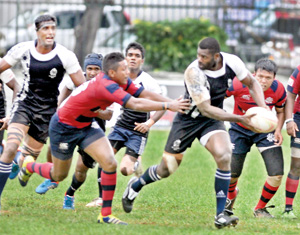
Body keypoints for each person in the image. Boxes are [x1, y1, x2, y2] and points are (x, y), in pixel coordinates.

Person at [18, 52, 190, 225]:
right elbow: (135, 104)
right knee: (58, 174)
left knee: (109, 163)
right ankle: (29, 166)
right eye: (123, 69)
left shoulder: (120, 80)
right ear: (113, 73)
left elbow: (143, 93)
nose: (127, 70)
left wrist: (172, 101)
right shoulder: (106, 85)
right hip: (64, 127)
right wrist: (169, 105)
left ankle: (105, 215)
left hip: (86, 124)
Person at [121, 37, 268, 229]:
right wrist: (241, 119)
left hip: (211, 121)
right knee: (167, 169)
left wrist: (263, 109)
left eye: (204, 56)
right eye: (198, 55)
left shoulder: (232, 62)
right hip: (187, 121)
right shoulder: (193, 72)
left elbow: (252, 83)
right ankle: (136, 185)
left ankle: (220, 215)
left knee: (224, 156)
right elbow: (205, 108)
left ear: (216, 56)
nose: (199, 59)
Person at [0, 14, 86, 208]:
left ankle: (23, 166)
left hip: (48, 112)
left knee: (27, 158)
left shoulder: (66, 55)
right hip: (24, 104)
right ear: (37, 31)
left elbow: (83, 88)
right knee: (11, 146)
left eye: (53, 28)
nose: (50, 32)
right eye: (46, 29)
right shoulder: (23, 49)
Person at [83, 42, 165, 208]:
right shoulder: (119, 78)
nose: (133, 58)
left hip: (138, 131)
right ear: (125, 59)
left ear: (142, 60)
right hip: (120, 126)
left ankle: (134, 165)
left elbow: (162, 105)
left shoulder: (148, 82)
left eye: (137, 56)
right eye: (130, 55)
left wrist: (149, 123)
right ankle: (101, 198)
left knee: (125, 170)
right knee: (105, 158)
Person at [35, 53, 111, 197]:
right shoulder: (78, 79)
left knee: (81, 170)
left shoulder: (107, 85)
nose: (93, 72)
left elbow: (108, 114)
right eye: (90, 68)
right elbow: (66, 89)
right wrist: (58, 107)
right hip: (69, 125)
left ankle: (69, 194)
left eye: (97, 69)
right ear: (85, 69)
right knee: (52, 147)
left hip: (93, 128)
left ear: (102, 71)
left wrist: (94, 110)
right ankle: (52, 178)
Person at [224, 58, 286, 218]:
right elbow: (218, 98)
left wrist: (278, 129)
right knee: (232, 174)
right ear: (254, 74)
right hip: (239, 130)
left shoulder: (278, 89)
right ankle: (230, 197)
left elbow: (280, 111)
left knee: (277, 173)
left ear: (274, 78)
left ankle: (260, 209)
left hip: (265, 131)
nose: (263, 81)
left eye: (268, 78)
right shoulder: (239, 83)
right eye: (260, 76)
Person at [282, 63, 300, 218]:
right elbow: (290, 96)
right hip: (299, 120)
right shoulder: (299, 70)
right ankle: (288, 209)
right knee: (297, 164)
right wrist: (289, 120)